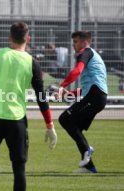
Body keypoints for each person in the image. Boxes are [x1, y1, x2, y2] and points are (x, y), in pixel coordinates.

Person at [0, 22, 57, 191]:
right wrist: (49, 125)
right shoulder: (33, 63)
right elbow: (41, 98)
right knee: (19, 170)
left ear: (9, 37)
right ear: (28, 39)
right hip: (16, 121)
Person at [56, 31, 108, 173]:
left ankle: (87, 150)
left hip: (95, 97)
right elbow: (89, 88)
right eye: (73, 42)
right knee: (73, 125)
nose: (74, 45)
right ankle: (89, 166)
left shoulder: (86, 52)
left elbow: (77, 71)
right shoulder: (93, 56)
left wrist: (62, 86)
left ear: (85, 42)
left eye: (76, 42)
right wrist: (70, 94)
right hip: (95, 96)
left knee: (65, 119)